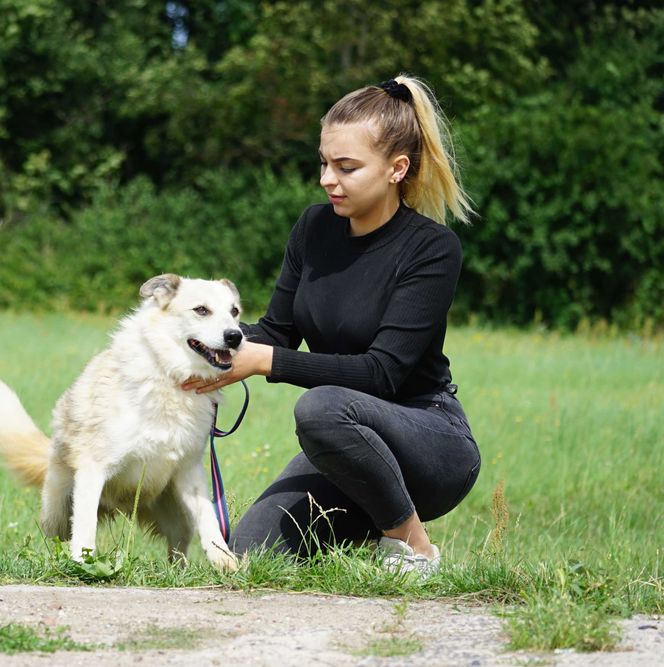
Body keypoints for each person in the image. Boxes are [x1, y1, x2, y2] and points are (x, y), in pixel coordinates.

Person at [182, 74, 480, 577]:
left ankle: (413, 547)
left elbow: (381, 374)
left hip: (431, 443)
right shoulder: (313, 228)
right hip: (344, 452)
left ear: (396, 169)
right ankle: (369, 535)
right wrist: (203, 339)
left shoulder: (432, 249)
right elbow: (275, 332)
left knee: (319, 407)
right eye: (324, 163)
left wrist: (264, 363)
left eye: (346, 167)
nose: (327, 179)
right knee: (248, 558)